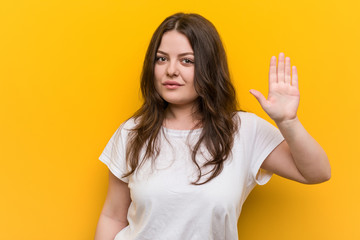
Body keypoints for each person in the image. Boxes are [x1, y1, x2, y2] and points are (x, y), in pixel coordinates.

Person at [94, 12, 331, 240]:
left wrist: (287, 122)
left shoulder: (243, 130)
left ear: (209, 67)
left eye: (186, 60)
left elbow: (317, 173)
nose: (171, 70)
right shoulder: (133, 132)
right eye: (161, 58)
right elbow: (113, 216)